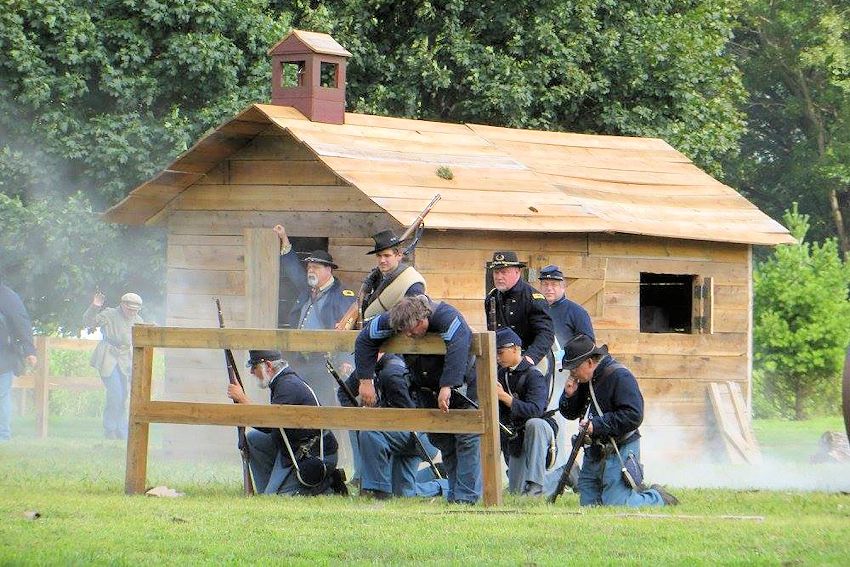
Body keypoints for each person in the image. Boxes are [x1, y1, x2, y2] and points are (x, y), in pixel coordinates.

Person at [355, 295, 481, 504]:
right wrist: (365, 379)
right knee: (445, 441)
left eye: (412, 330)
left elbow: (459, 346)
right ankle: (454, 496)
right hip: (425, 388)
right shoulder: (395, 319)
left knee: (467, 439)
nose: (408, 335)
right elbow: (365, 339)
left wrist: (447, 386)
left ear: (423, 319)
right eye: (403, 332)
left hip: (463, 387)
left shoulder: (448, 317)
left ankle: (467, 498)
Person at [558, 334, 678, 506]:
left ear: (590, 362)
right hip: (594, 448)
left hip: (620, 445)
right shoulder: (583, 379)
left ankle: (658, 498)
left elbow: (633, 415)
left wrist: (596, 425)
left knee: (617, 503)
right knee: (589, 505)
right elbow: (570, 414)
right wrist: (570, 396)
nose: (572, 373)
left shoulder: (620, 376)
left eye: (574, 368)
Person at [226, 349, 346, 496]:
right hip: (291, 449)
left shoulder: (288, 386)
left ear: (268, 365)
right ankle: (269, 488)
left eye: (254, 367)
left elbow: (270, 424)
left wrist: (243, 401)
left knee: (278, 497)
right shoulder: (281, 382)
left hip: (313, 454)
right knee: (253, 439)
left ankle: (328, 486)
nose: (251, 372)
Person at [339, 353, 448, 499]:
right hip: (396, 434)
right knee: (402, 494)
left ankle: (377, 491)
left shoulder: (393, 373)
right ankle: (446, 485)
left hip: (415, 436)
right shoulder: (366, 370)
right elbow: (343, 393)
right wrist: (359, 417)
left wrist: (375, 416)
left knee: (369, 433)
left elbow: (409, 416)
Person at [274, 224, 355, 404]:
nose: (310, 270)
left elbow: (347, 329)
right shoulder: (308, 289)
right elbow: (293, 269)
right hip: (300, 361)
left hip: (324, 364)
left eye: (316, 267)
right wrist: (284, 237)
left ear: (329, 270)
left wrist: (344, 361)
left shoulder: (341, 296)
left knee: (322, 405)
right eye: (309, 267)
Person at [494, 328, 557, 497]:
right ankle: (565, 474)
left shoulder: (533, 375)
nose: (498, 357)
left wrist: (506, 398)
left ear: (515, 349)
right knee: (517, 492)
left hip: (538, 430)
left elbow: (536, 410)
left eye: (501, 352)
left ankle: (536, 484)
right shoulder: (501, 374)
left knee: (534, 423)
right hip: (517, 434)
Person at [83, 291, 144, 439]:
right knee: (115, 393)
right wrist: (95, 306)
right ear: (123, 305)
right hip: (108, 357)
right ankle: (110, 429)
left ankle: (121, 431)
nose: (132, 312)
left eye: (135, 310)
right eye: (130, 309)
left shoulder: (138, 320)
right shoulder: (109, 314)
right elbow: (88, 322)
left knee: (124, 396)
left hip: (126, 360)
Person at [484, 251, 554, 369]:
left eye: (504, 272)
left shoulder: (533, 298)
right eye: (496, 272)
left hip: (530, 358)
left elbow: (546, 334)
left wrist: (530, 358)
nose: (499, 277)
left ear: (517, 272)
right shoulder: (492, 298)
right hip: (502, 360)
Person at [359, 229, 426, 322]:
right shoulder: (375, 279)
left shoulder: (411, 282)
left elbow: (413, 317)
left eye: (387, 256)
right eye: (379, 255)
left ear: (399, 255)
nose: (382, 260)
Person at [0, 275, 37, 442]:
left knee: (1, 395)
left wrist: (29, 350)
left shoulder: (6, 296)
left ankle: (3, 436)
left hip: (3, 354)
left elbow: (21, 322)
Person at [538, 264, 595, 349]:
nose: (549, 288)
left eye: (554, 284)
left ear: (563, 288)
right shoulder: (534, 309)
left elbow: (588, 344)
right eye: (545, 284)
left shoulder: (577, 312)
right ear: (540, 287)